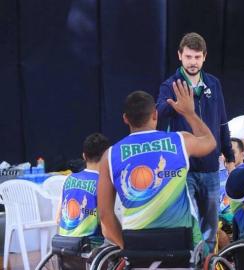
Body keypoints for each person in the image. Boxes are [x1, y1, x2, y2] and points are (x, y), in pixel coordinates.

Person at [98, 81, 216, 249]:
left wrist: (128, 248)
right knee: (205, 249)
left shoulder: (108, 156)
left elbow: (104, 215)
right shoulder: (180, 140)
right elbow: (210, 142)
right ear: (155, 114)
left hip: (138, 249)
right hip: (179, 246)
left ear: (125, 118)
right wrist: (189, 113)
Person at [156, 32, 234, 251]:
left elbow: (222, 122)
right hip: (184, 167)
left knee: (210, 224)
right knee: (189, 222)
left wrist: (229, 155)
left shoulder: (213, 83)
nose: (193, 62)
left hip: (211, 167)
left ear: (204, 57)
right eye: (189, 57)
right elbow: (158, 112)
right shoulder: (170, 84)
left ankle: (206, 263)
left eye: (197, 57)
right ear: (180, 56)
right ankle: (189, 261)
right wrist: (177, 105)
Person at [58, 133, 110, 244]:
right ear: (106, 157)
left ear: (84, 156)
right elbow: (106, 225)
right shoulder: (103, 183)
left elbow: (57, 218)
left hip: (63, 243)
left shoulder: (68, 179)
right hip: (88, 246)